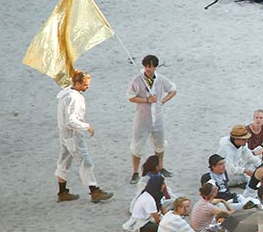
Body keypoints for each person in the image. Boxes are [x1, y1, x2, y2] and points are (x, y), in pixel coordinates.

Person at [56, 71, 112, 204]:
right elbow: (71, 120)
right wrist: (86, 126)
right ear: (77, 83)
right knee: (85, 162)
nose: (88, 87)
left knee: (64, 162)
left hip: (64, 135)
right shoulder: (73, 98)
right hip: (73, 135)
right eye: (85, 84)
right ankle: (94, 191)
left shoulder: (66, 94)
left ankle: (62, 192)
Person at [125, 54, 177, 183]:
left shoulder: (160, 79)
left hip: (157, 117)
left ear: (155, 67)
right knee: (137, 144)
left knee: (160, 144)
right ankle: (135, 172)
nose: (148, 69)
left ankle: (160, 167)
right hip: (142, 117)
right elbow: (131, 97)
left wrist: (162, 101)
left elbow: (173, 89)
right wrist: (147, 100)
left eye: (151, 67)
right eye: (146, 66)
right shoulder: (137, 80)